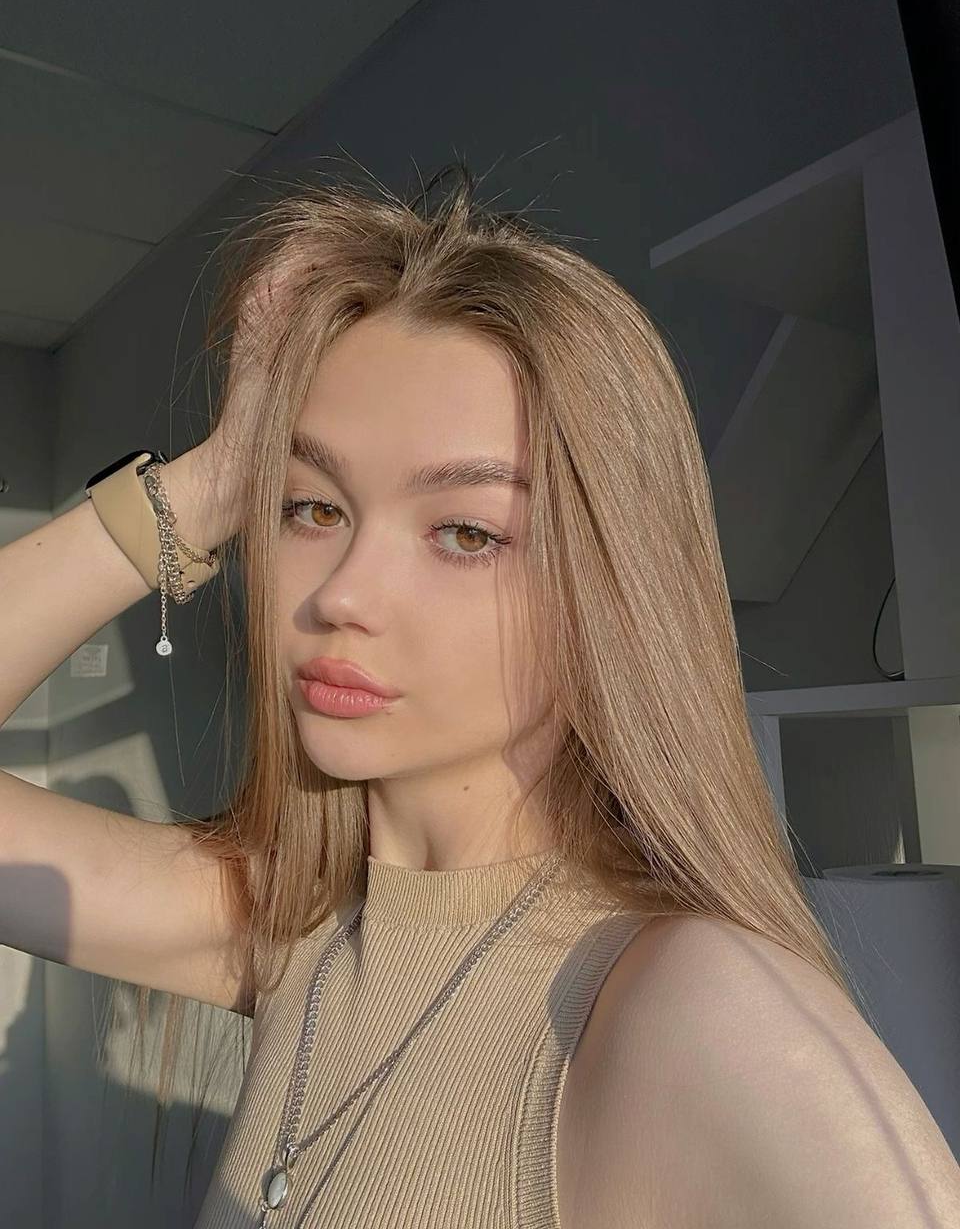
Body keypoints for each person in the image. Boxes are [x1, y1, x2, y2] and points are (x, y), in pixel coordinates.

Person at [1, 164, 958, 1228]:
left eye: (465, 531)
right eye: (311, 507)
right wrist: (219, 478)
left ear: (613, 588)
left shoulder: (684, 1003)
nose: (341, 594)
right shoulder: (291, 928)